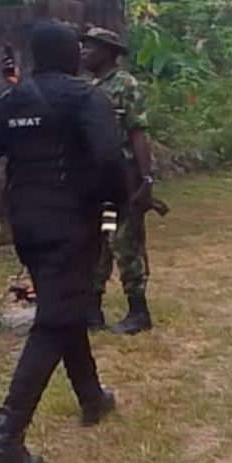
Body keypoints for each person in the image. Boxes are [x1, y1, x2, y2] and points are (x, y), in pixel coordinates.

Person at [0, 20, 130, 463]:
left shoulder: (4, 101)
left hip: (26, 226)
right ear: (71, 56)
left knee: (64, 305)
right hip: (72, 223)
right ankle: (5, 438)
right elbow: (109, 157)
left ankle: (92, 397)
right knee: (55, 319)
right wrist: (117, 203)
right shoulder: (85, 97)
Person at [79, 25, 157, 334]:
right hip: (94, 180)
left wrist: (146, 179)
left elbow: (138, 133)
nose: (84, 51)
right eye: (83, 46)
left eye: (92, 47)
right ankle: (92, 308)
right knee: (96, 241)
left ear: (109, 53)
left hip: (123, 177)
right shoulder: (87, 87)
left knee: (125, 242)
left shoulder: (126, 85)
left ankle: (138, 311)